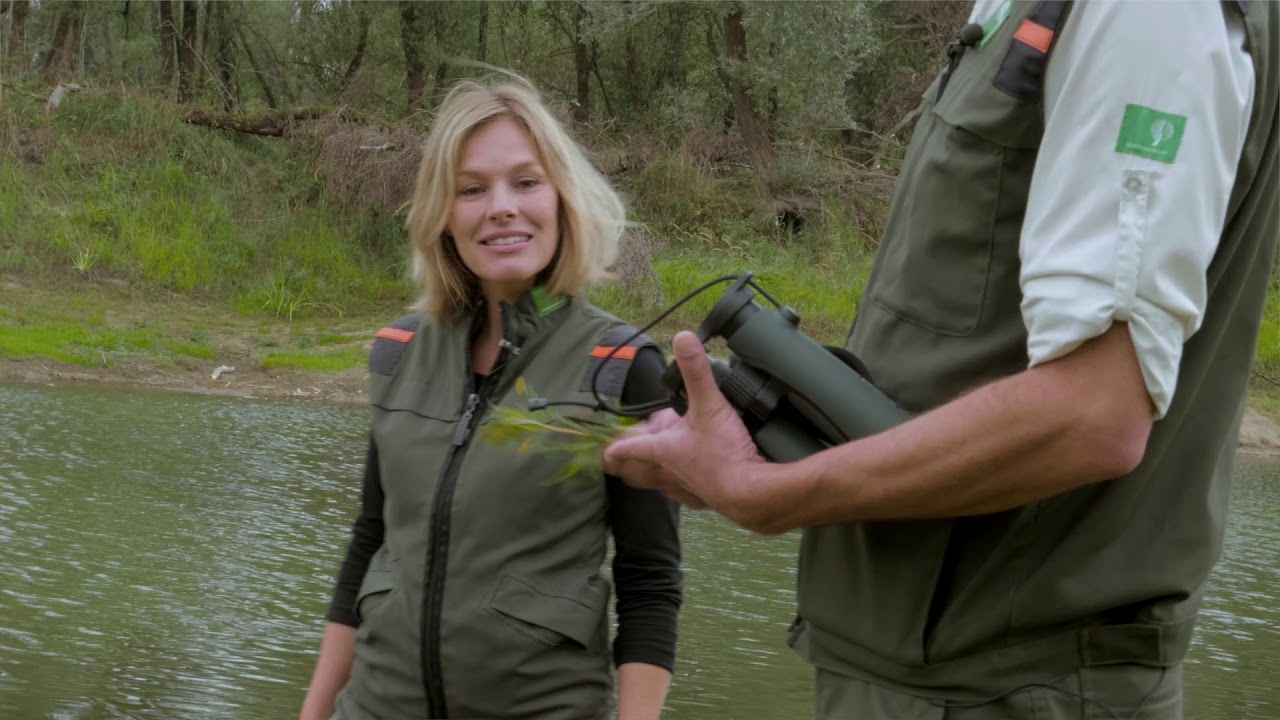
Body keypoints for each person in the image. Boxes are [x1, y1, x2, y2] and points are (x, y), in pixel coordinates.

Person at [605, 1, 1276, 718]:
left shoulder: (1146, 14)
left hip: (1001, 687)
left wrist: (765, 494)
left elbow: (1095, 412)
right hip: (924, 675)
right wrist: (761, 456)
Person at [298, 76, 682, 720]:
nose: (500, 207)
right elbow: (370, 544)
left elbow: (650, 585)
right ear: (443, 214)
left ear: (562, 197)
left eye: (526, 182)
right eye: (472, 189)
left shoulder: (621, 369)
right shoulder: (397, 352)